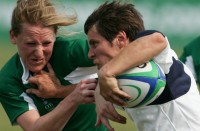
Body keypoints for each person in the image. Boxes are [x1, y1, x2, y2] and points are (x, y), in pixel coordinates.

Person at [84, 1, 200, 131]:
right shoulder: (114, 78)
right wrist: (99, 93)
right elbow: (81, 89)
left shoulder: (159, 61)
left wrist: (105, 73)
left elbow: (157, 40)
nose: (90, 54)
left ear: (121, 39)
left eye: (95, 44)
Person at [0, 0, 112, 130]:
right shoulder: (8, 80)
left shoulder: (71, 52)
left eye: (47, 43)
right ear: (13, 36)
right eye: (30, 44)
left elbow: (124, 55)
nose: (39, 53)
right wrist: (73, 98)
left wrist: (59, 92)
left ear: (55, 36)